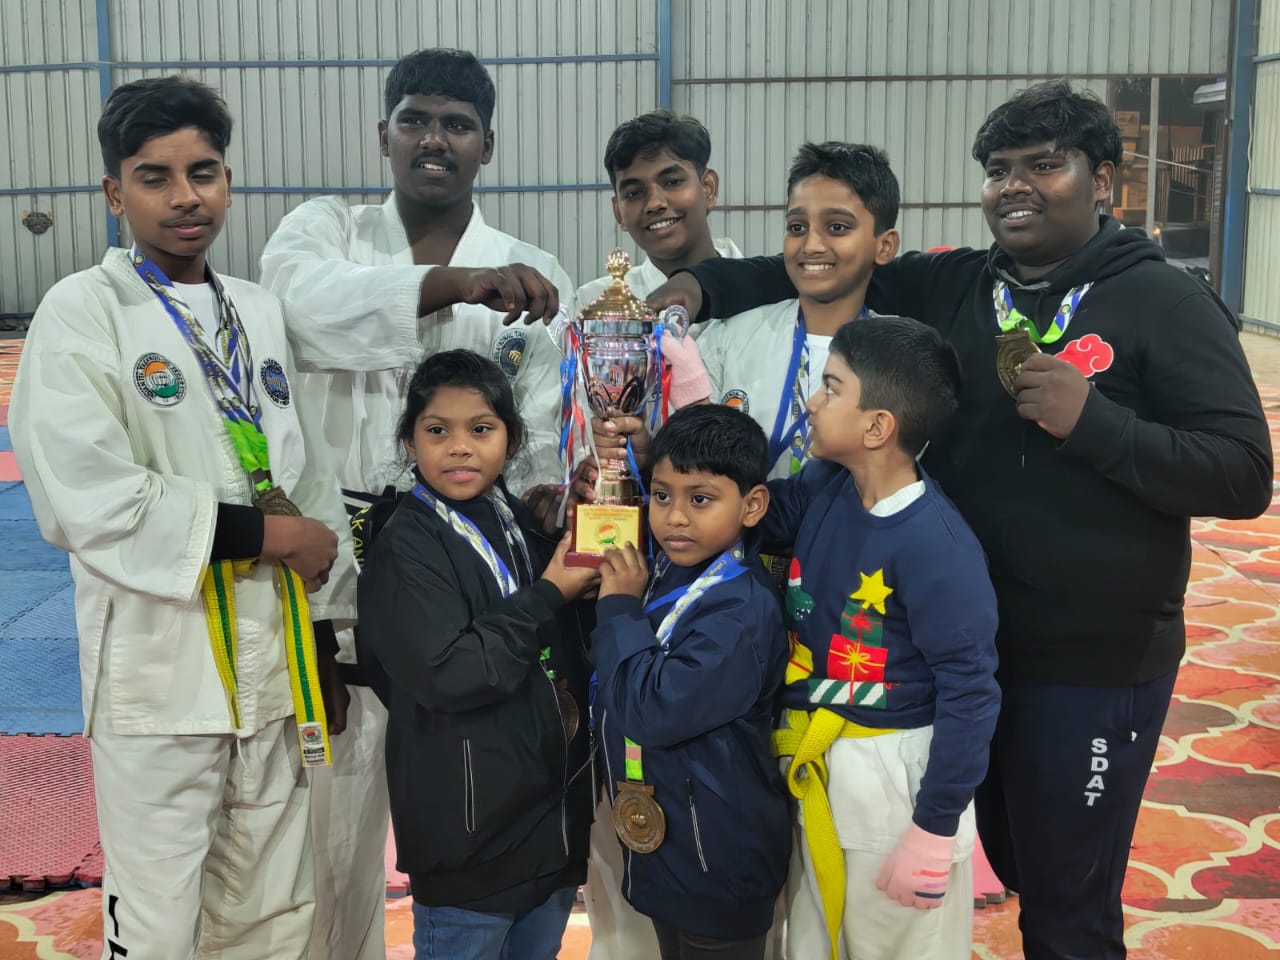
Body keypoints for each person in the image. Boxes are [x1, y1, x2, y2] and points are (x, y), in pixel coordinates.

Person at [649, 80, 1274, 960]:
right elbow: (816, 264)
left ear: (1103, 180)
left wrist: (1094, 423)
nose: (1014, 186)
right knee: (1011, 861)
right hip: (956, 650)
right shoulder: (959, 284)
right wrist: (689, 286)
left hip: (1089, 661)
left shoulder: (1162, 302)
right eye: (998, 170)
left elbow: (1244, 473)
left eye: (1043, 166)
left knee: (1067, 902)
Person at [8, 76, 357, 959]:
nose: (184, 197)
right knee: (160, 918)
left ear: (228, 181)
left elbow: (304, 474)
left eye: (202, 172)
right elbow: (87, 493)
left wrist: (320, 638)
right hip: (160, 671)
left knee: (275, 907)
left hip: (275, 663)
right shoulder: (85, 311)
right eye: (154, 177)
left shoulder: (257, 311)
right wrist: (271, 537)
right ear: (114, 192)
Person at [259, 48, 576, 957]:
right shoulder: (325, 231)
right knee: (328, 840)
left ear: (487, 145)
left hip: (472, 616)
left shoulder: (533, 269)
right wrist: (456, 287)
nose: (435, 139)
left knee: (481, 818)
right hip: (335, 588)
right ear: (385, 134)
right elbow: (300, 305)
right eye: (416, 121)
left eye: (457, 125)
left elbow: (536, 432)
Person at [758, 316, 999, 959]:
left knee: (894, 945)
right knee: (812, 943)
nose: (813, 402)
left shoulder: (938, 547)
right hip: (818, 761)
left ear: (877, 427)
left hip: (896, 783)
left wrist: (933, 828)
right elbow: (760, 514)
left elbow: (971, 693)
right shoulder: (827, 486)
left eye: (832, 388)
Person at [355, 349, 596, 960]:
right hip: (470, 847)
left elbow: (555, 635)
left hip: (546, 831)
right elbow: (451, 672)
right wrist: (550, 591)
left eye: (481, 429)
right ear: (409, 442)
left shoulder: (512, 518)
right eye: (438, 430)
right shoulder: (405, 543)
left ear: (510, 441)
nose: (459, 447)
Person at [591, 404, 790, 960]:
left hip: (718, 862)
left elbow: (654, 711)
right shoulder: (668, 570)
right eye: (661, 496)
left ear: (752, 505)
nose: (675, 517)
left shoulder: (741, 612)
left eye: (700, 500)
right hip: (671, 850)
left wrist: (619, 610)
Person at [696, 141, 900, 479]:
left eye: (837, 227)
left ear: (885, 245)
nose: (811, 245)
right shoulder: (729, 338)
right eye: (797, 227)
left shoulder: (899, 358)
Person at [575, 110, 742, 317]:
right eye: (634, 193)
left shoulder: (770, 300)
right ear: (619, 212)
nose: (654, 204)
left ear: (708, 189)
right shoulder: (591, 305)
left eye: (672, 182)